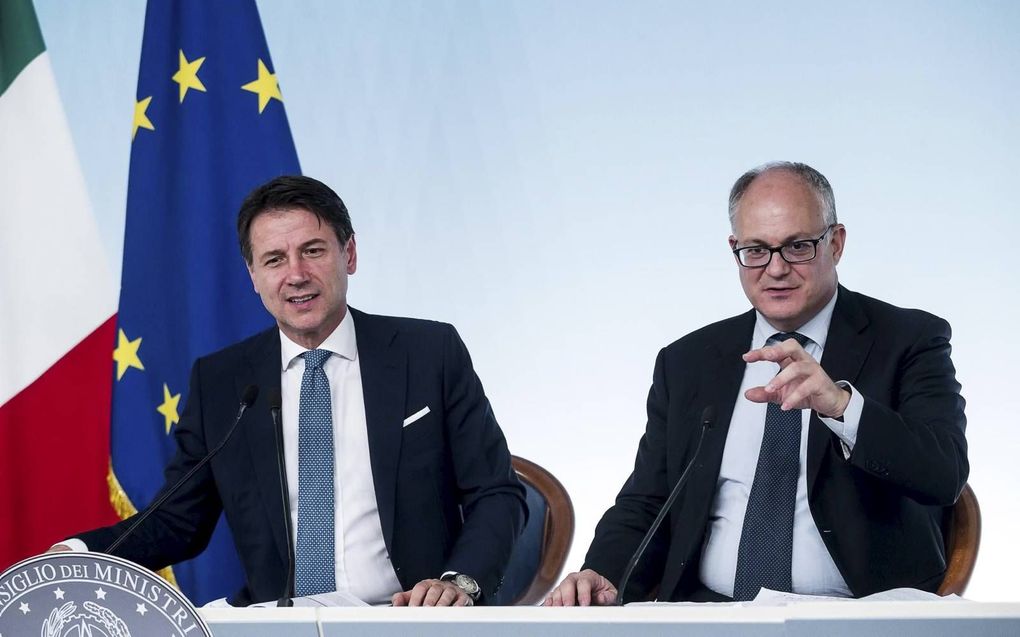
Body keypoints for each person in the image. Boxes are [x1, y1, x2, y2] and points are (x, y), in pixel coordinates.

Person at [56, 175, 527, 607]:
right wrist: (77, 554)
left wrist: (459, 582)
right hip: (279, 624)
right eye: (275, 260)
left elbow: (496, 492)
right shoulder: (222, 383)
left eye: (314, 250)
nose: (296, 274)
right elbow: (177, 520)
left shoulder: (429, 353)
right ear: (253, 276)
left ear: (350, 254)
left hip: (407, 620)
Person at [546, 161, 968, 605]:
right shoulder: (687, 361)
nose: (776, 268)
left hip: (853, 613)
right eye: (756, 250)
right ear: (735, 249)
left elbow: (944, 473)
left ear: (836, 243)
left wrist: (843, 406)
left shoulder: (909, 338)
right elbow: (649, 499)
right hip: (709, 611)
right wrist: (602, 570)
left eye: (798, 246)